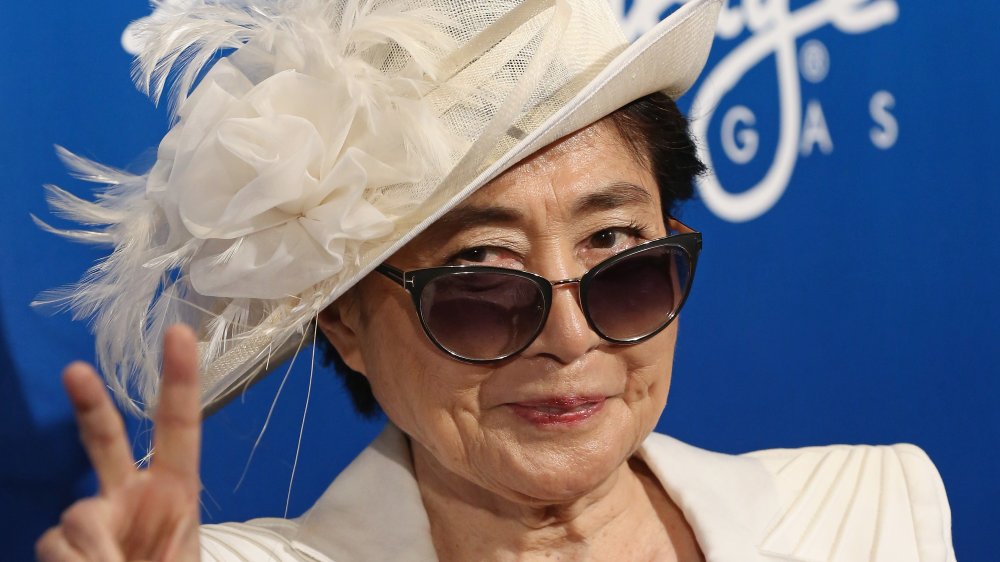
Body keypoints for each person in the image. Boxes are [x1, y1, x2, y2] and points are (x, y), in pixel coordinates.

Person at [34, 0, 956, 560]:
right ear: (348, 323)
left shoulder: (871, 515)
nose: (572, 336)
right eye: (482, 279)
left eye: (619, 255)